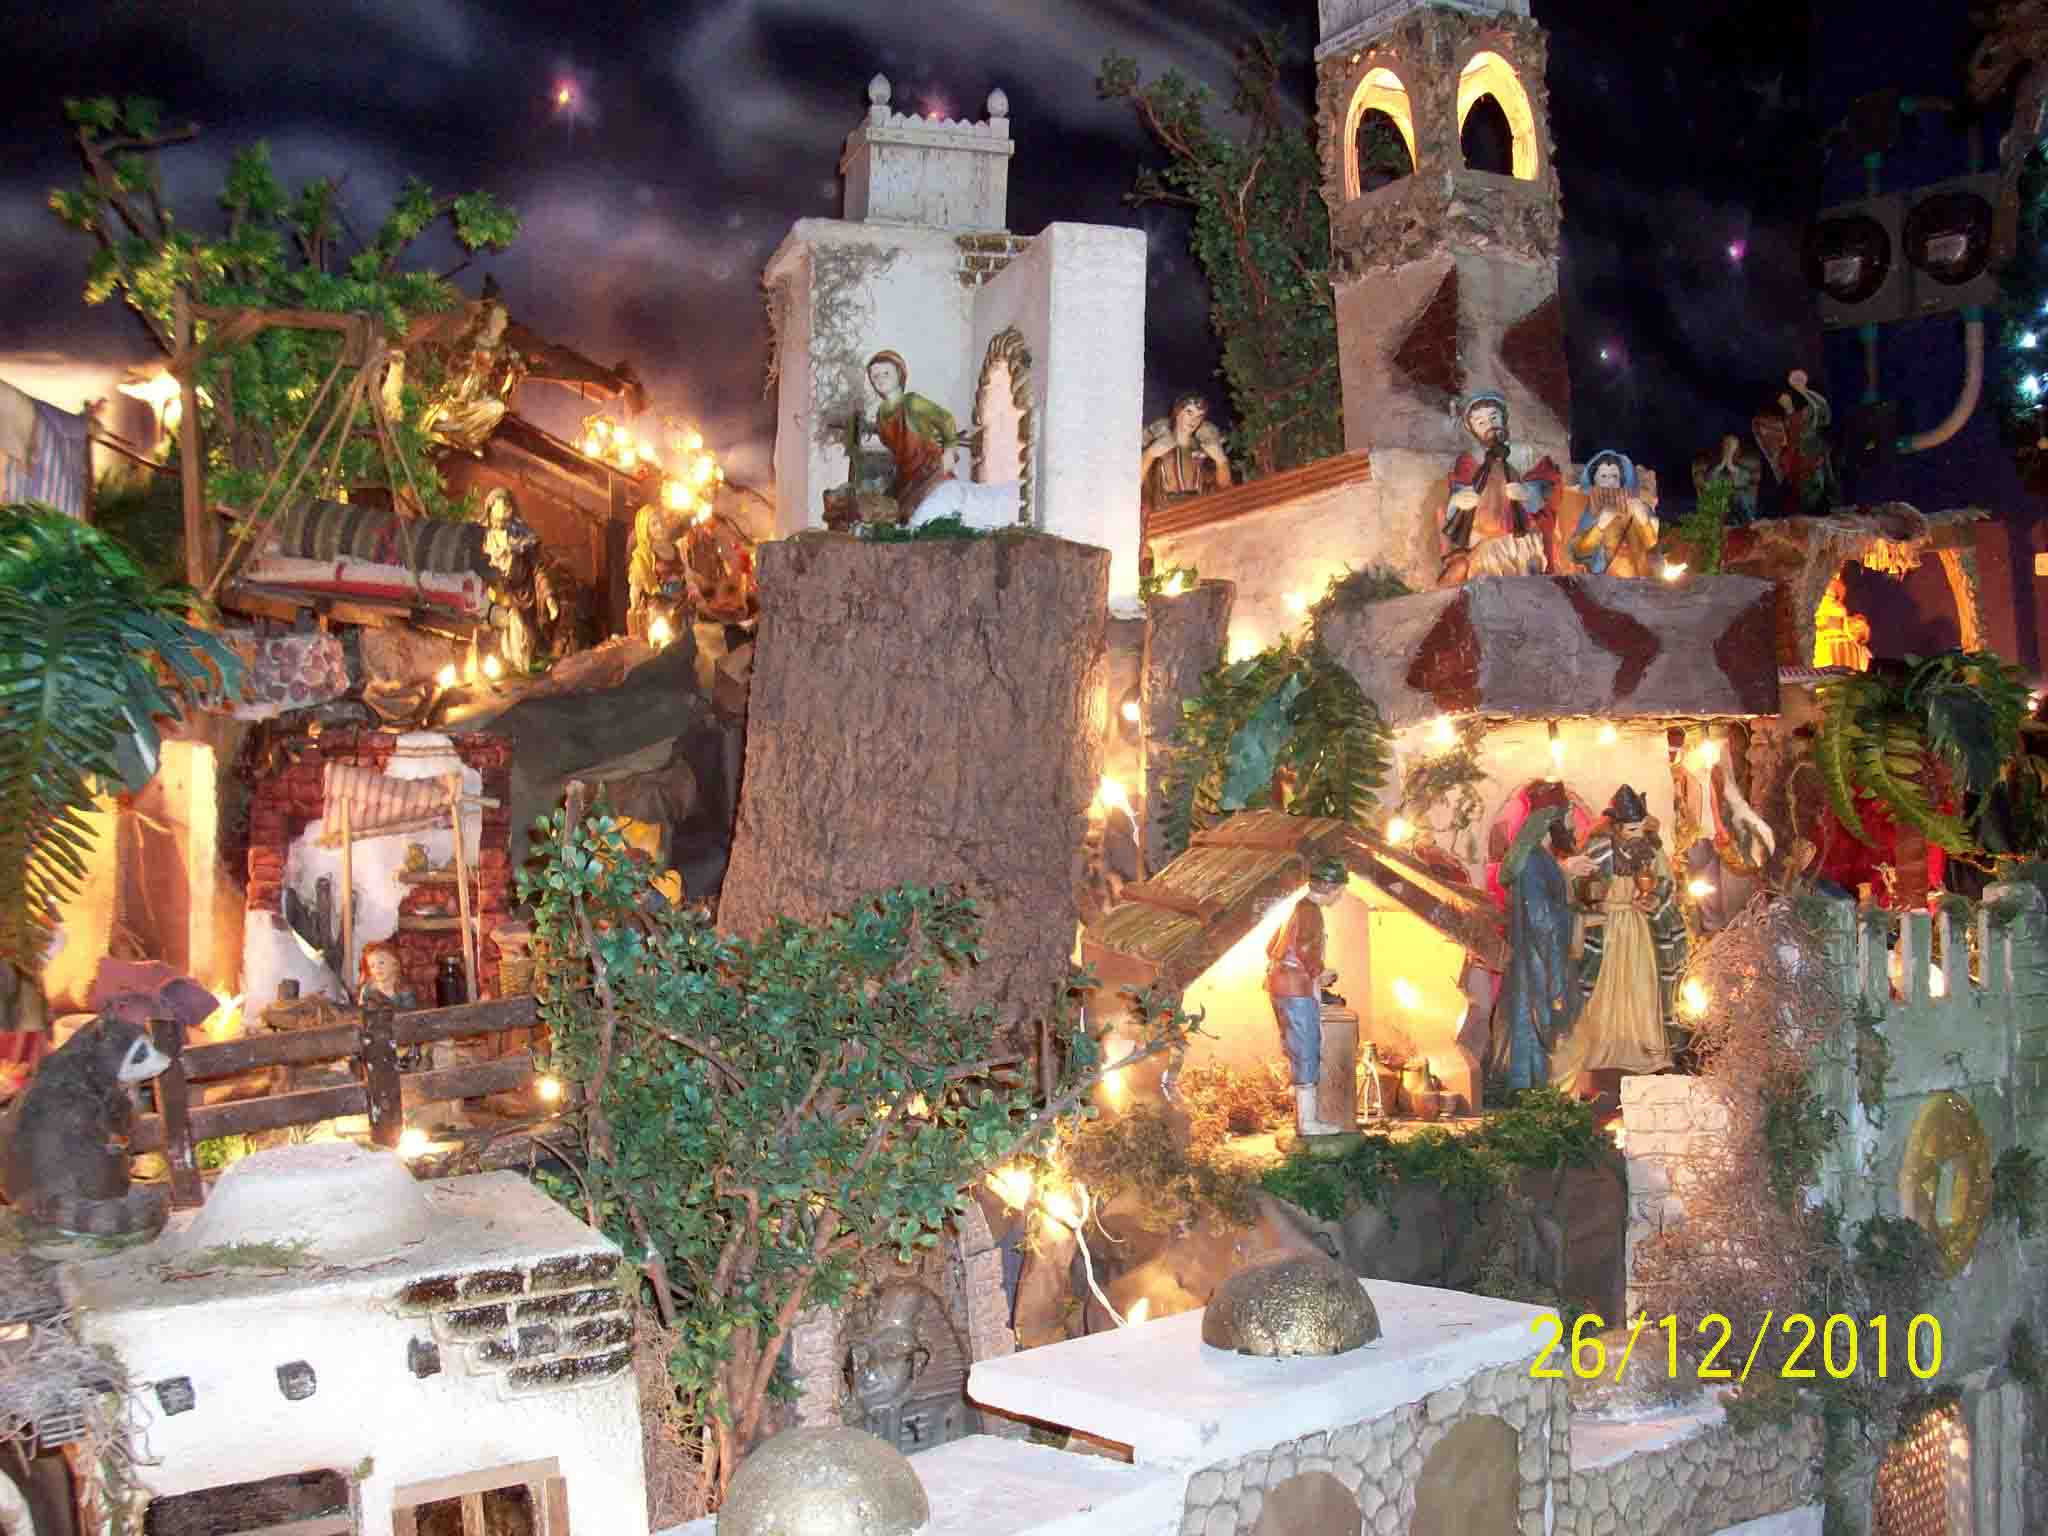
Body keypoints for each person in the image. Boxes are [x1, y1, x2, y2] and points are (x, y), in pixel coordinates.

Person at [1551, 786, 1688, 1090]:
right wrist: (1592, 896)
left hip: (1639, 928)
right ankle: (1601, 1052)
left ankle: (1645, 1051)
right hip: (1608, 928)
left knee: (1642, 985)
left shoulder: (1650, 849)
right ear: (1616, 826)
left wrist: (1654, 899)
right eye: (1630, 829)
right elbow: (1579, 887)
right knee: (1602, 989)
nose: (1637, 834)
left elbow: (1666, 884)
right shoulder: (1598, 849)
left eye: (1640, 827)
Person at [861, 350, 1018, 531]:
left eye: (886, 373)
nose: (880, 379)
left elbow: (945, 419)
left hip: (930, 472)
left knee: (934, 514)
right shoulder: (881, 415)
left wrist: (950, 450)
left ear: (899, 374)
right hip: (907, 478)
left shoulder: (912, 402)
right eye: (875, 376)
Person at [1492, 804, 1579, 1093]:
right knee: (1531, 1013)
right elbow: (1541, 917)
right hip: (1536, 955)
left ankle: (1532, 1083)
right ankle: (1528, 1083)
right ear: (1552, 826)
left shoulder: (1539, 857)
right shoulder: (1532, 861)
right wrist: (1572, 917)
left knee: (1529, 1011)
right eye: (1568, 823)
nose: (1572, 830)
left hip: (1532, 951)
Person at [1438, 393, 1563, 585]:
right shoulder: (1469, 461)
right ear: (1472, 430)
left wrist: (1529, 492)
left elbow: (1547, 487)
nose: (1489, 425)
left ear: (1504, 419)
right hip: (1483, 543)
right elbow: (1454, 501)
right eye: (1480, 422)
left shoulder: (1525, 454)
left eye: (1494, 417)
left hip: (1521, 539)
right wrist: (1458, 500)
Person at [1264, 857, 1348, 1136]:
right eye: (1340, 889)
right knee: (1307, 1050)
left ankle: (1303, 1118)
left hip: (1281, 985)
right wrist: (1319, 972)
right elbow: (1306, 948)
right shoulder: (1310, 911)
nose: (1340, 895)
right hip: (1295, 989)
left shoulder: (1296, 907)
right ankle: (1308, 1123)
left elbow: (1271, 947)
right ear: (1329, 886)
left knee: (1297, 1050)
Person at [1563, 451, 1660, 578]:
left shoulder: (1635, 505)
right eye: (1603, 476)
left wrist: (1644, 520)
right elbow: (1578, 553)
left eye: (1615, 476)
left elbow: (1651, 544)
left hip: (1635, 574)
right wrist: (1600, 526)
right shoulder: (1589, 510)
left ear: (1621, 480)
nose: (1611, 481)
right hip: (1602, 577)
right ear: (1594, 481)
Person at [1140, 394, 1232, 519]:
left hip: (1199, 511)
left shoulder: (1204, 448)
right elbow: (1135, 482)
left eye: (1199, 416)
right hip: (1166, 512)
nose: (1194, 420)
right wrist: (1150, 454)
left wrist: (1221, 462)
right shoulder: (1158, 442)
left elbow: (1224, 487)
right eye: (1189, 412)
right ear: (1177, 412)